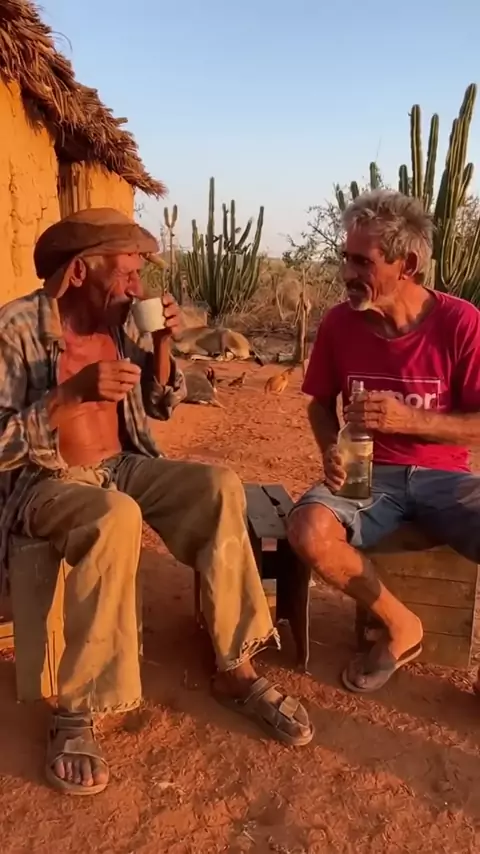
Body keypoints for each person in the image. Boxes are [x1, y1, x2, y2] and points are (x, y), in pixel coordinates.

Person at [0, 208, 313, 796]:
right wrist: (67, 397)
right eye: (126, 272)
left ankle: (235, 667)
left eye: (139, 273)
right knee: (114, 516)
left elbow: (161, 403)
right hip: (48, 480)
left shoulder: (122, 322)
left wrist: (165, 343)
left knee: (218, 486)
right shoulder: (15, 328)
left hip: (125, 465)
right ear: (79, 272)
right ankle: (79, 709)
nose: (137, 286)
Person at [287, 189, 480, 694]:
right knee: (307, 530)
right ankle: (401, 626)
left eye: (362, 262)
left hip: (444, 476)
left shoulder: (461, 322)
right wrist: (329, 449)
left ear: (407, 265)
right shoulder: (339, 323)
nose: (346, 273)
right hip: (367, 477)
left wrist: (409, 419)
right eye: (344, 258)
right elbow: (318, 404)